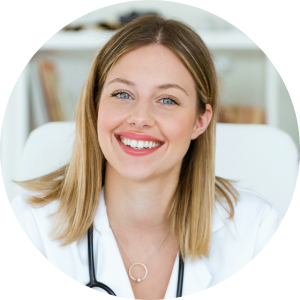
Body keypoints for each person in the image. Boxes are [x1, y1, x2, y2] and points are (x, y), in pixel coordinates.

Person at [10, 14, 282, 299]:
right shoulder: (32, 226)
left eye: (167, 100)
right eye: (123, 94)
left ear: (200, 121)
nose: (140, 118)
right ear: (95, 107)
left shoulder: (257, 230)